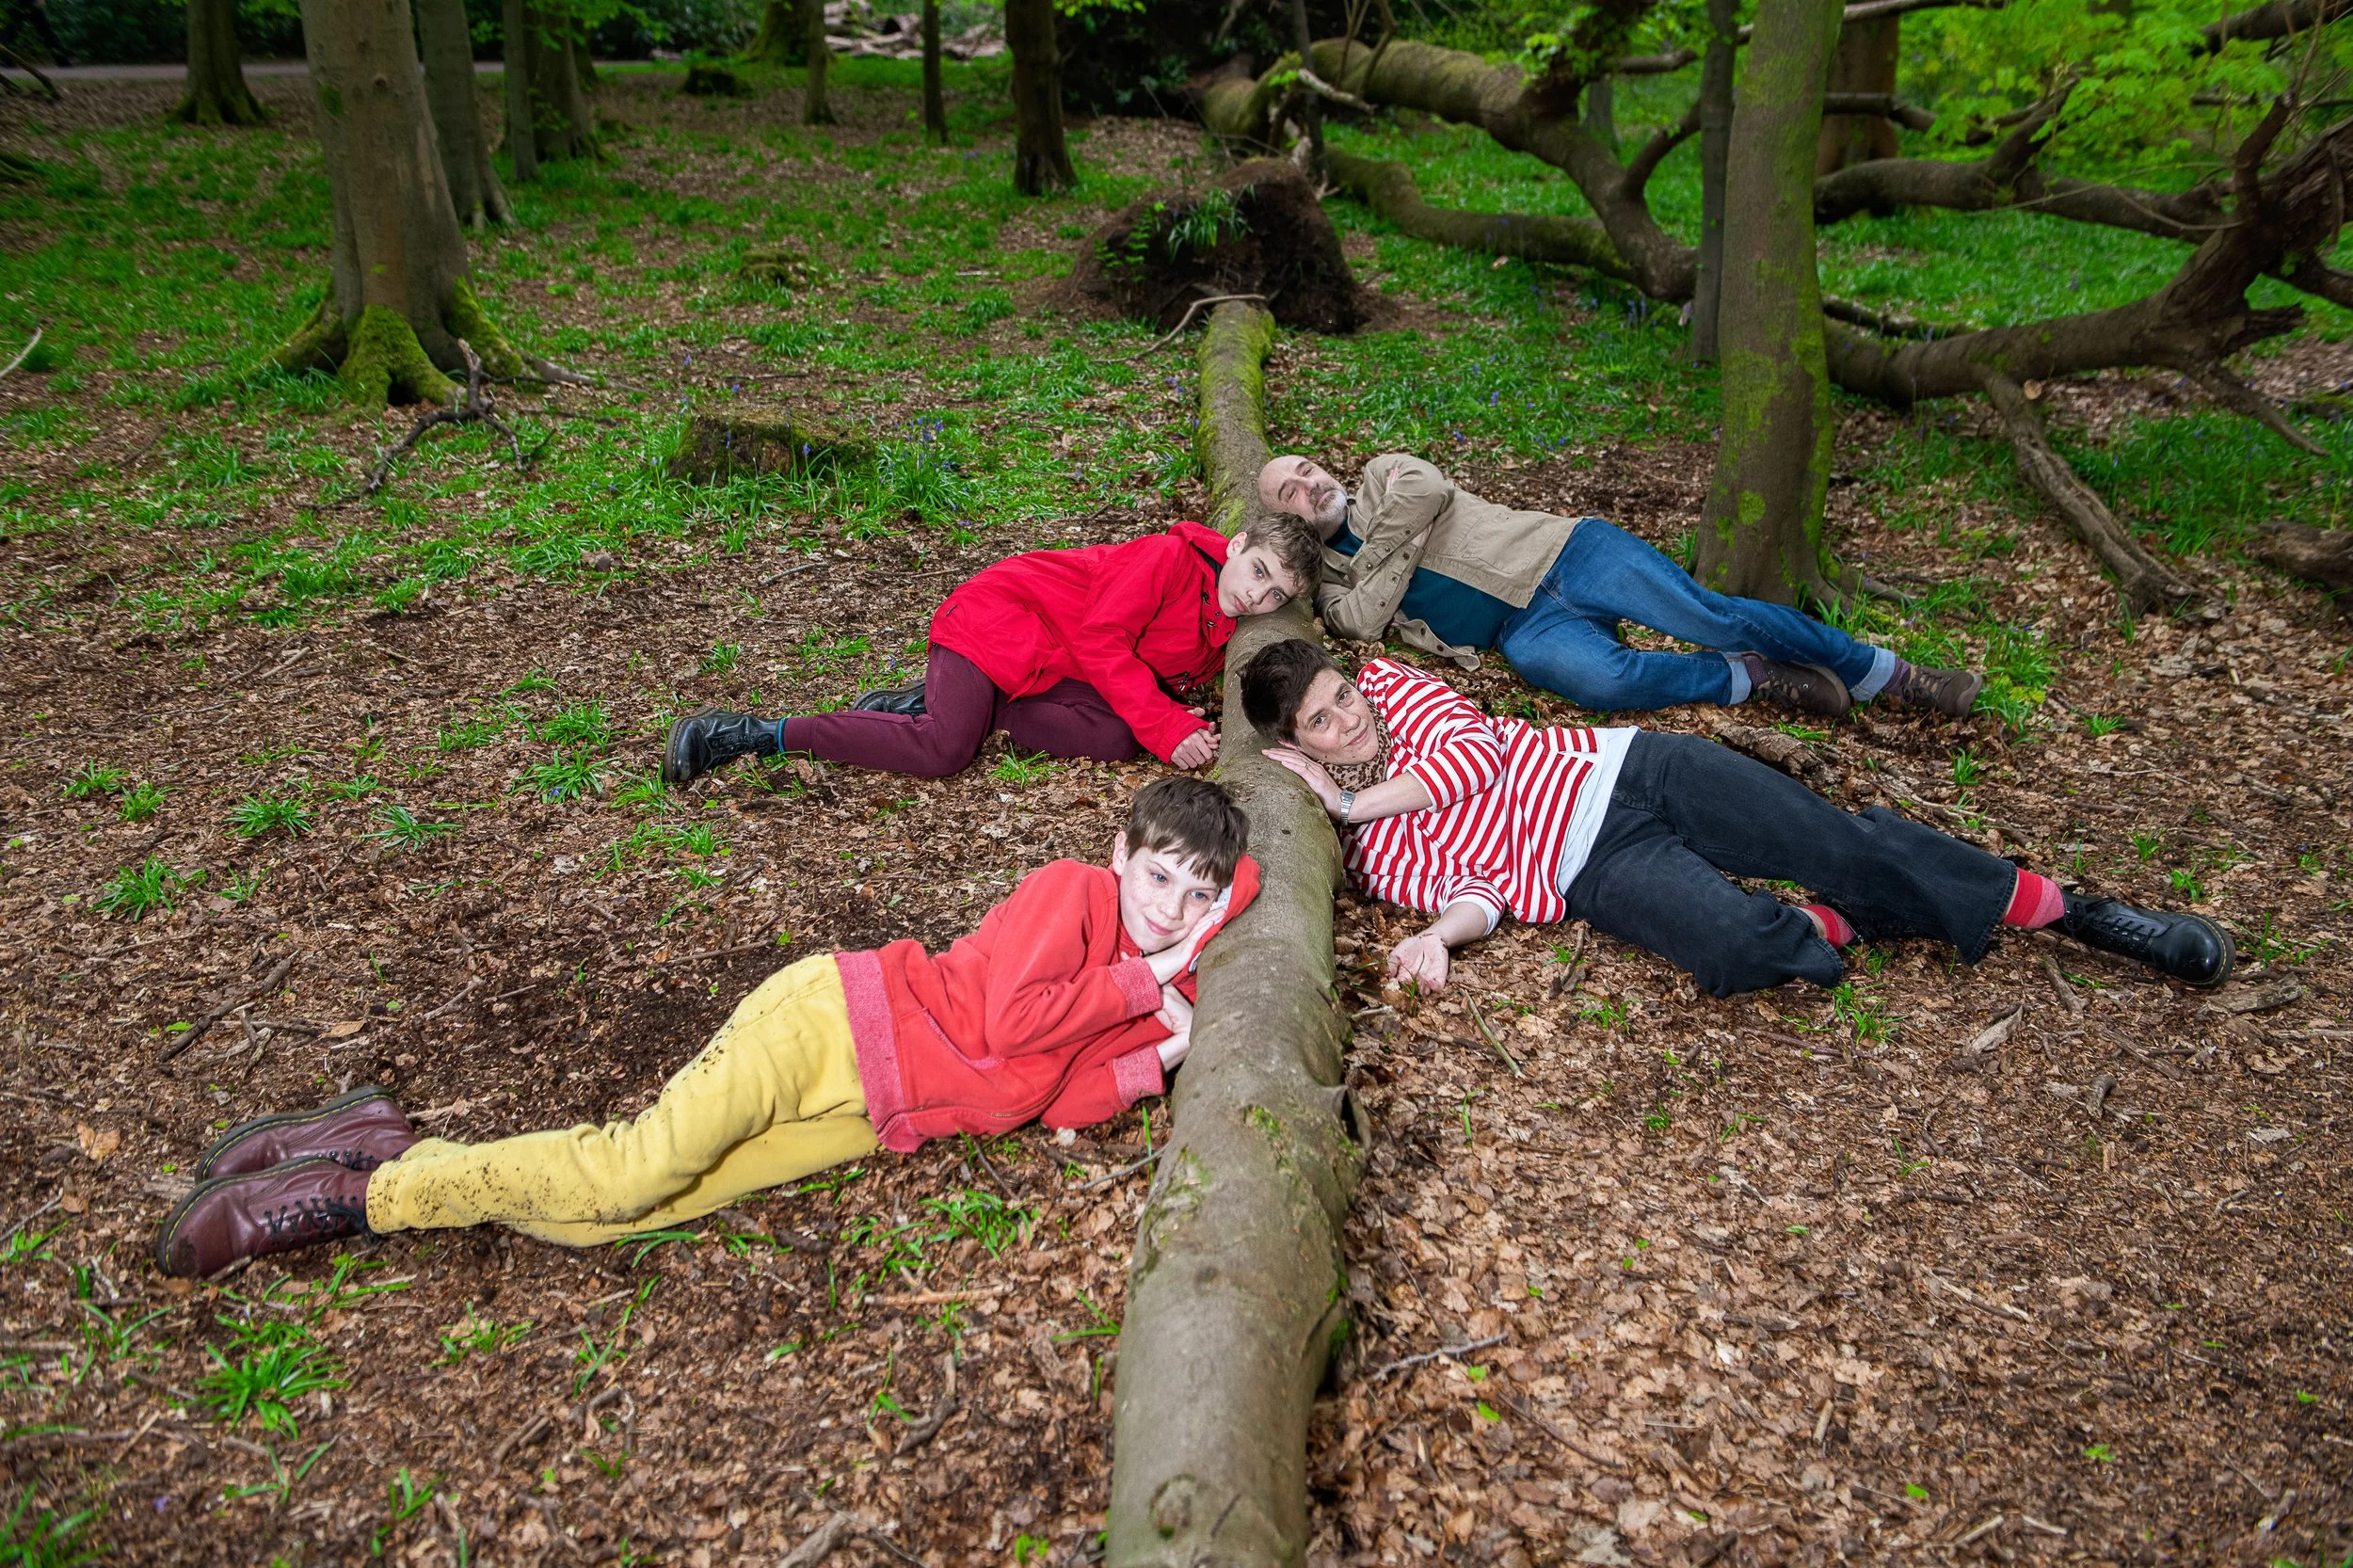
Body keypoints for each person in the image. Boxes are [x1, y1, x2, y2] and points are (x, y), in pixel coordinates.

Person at [152, 778, 1258, 1278]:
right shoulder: (1073, 895)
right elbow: (1013, 1025)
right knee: (627, 1169)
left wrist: (1165, 1047)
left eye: (1195, 895)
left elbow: (1054, 1096)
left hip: (869, 1112)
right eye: (1158, 874)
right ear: (1121, 853)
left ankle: (377, 1142)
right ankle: (359, 1196)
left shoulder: (1137, 983)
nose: (1168, 905)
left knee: (613, 1219)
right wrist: (1147, 982)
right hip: (834, 1024)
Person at [1240, 641, 2231, 999]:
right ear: (1297, 743)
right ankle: (1844, 920)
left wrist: (1349, 796)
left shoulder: (1397, 690)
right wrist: (1437, 937)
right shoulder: (1373, 853)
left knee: (1837, 842)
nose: (1348, 717)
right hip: (1591, 871)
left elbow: (1475, 760)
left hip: (1633, 770)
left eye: (1340, 695)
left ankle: (2075, 913)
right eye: (1322, 721)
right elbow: (1481, 892)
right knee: (1736, 949)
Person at [1257, 452, 1983, 721]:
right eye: (1291, 492)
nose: (1309, 486)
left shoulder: (1382, 476)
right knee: (1602, 681)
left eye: (1308, 471)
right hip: (1519, 631)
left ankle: (1889, 674)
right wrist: (1405, 546)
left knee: (1713, 615)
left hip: (1569, 552)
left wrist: (1386, 560)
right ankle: (1753, 678)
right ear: (1284, 519)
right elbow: (1359, 622)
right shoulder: (1329, 585)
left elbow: (1425, 490)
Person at [662, 516, 1323, 784]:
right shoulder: (1168, 558)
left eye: (1275, 596)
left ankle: (951, 704)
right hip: (1003, 619)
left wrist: (1168, 715)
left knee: (1119, 737)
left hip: (1054, 666)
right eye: (1257, 570)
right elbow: (1102, 639)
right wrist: (1166, 725)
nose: (1256, 595)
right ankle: (752, 733)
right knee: (944, 751)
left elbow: (1140, 675)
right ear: (1237, 544)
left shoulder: (1227, 621)